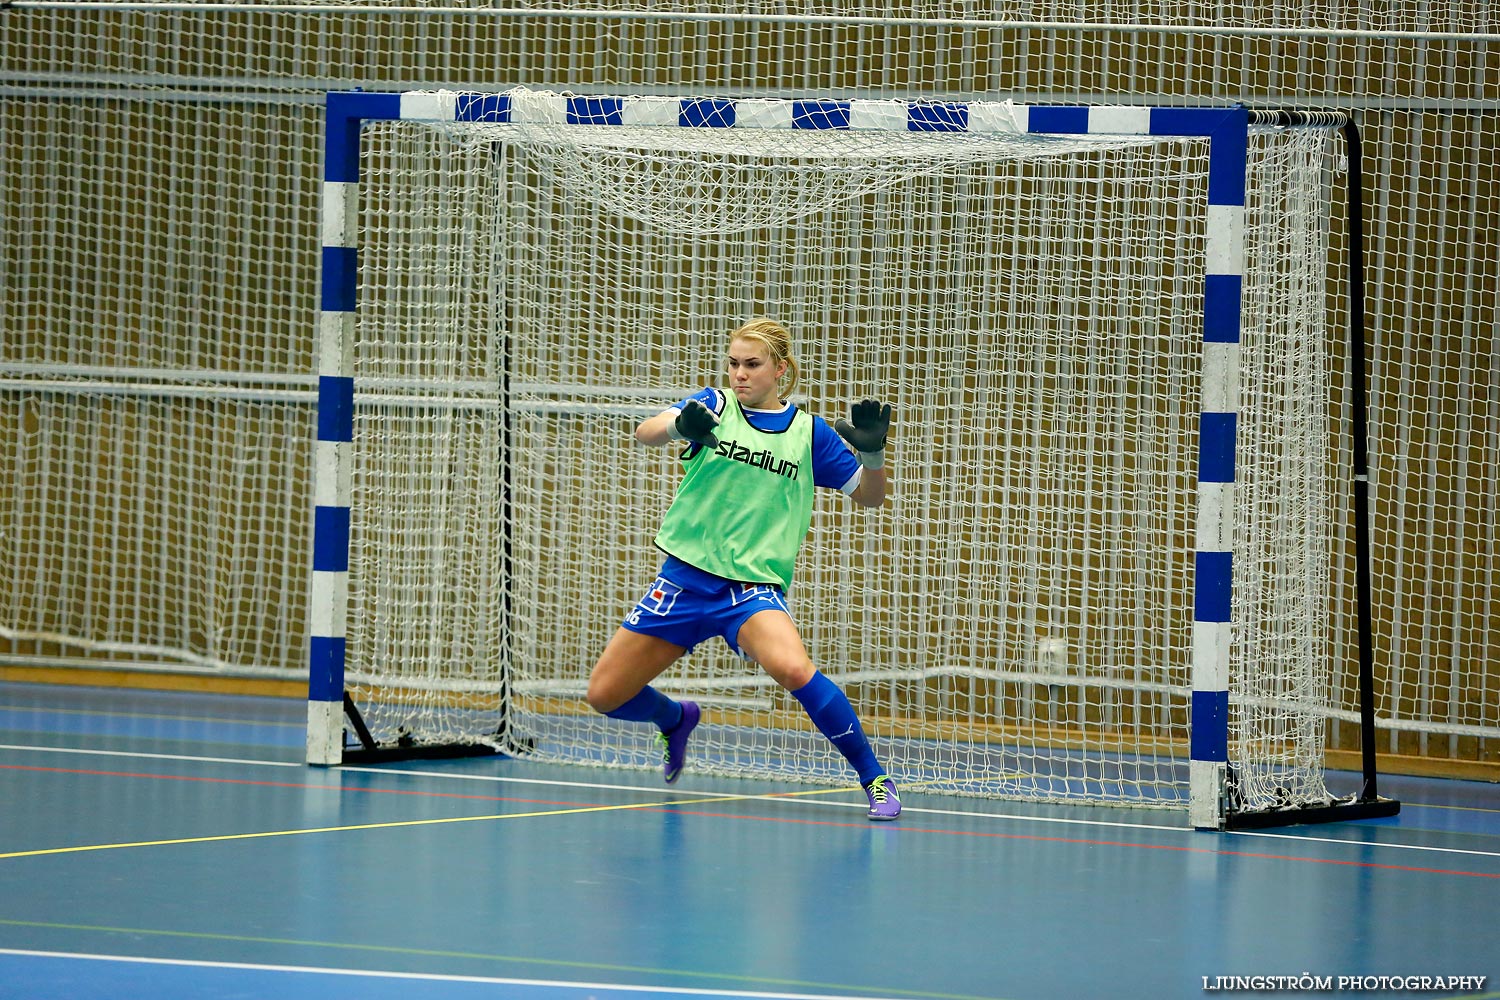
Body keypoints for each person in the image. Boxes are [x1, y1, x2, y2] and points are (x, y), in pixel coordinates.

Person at [584, 317, 901, 820]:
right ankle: (675, 718)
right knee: (604, 694)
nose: (739, 374)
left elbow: (870, 496)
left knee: (795, 668)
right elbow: (646, 432)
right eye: (733, 363)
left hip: (749, 591)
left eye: (752, 365)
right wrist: (677, 426)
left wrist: (874, 454)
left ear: (781, 369)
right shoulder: (712, 406)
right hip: (683, 581)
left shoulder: (807, 433)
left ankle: (875, 780)